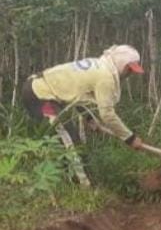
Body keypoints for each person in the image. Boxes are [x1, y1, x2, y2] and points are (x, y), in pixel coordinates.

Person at [21, 45, 146, 186]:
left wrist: (90, 119)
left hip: (39, 87)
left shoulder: (99, 65)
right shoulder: (106, 77)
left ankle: (69, 182)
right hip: (40, 93)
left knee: (68, 141)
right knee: (71, 142)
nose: (129, 74)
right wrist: (130, 138)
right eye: (129, 69)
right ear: (121, 64)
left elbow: (77, 95)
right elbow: (107, 115)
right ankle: (85, 188)